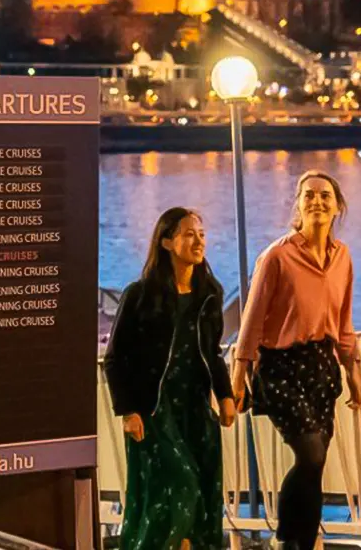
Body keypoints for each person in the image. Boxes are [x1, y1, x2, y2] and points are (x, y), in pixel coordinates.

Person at [231, 170, 361, 550]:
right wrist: (239, 375)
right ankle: (284, 539)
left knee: (316, 464)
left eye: (325, 195)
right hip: (281, 367)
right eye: (309, 195)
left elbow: (344, 321)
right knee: (310, 453)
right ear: (298, 204)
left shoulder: (343, 257)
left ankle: (301, 543)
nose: (317, 202)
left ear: (338, 206)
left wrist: (353, 368)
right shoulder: (277, 256)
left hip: (322, 366)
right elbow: (252, 318)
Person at [104, 207, 237, 550]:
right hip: (153, 409)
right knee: (179, 486)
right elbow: (115, 358)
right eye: (188, 234)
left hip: (194, 408)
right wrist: (128, 411)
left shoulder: (210, 293)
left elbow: (213, 352)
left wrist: (225, 396)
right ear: (166, 242)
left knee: (205, 494)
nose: (198, 241)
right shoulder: (140, 295)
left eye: (201, 234)